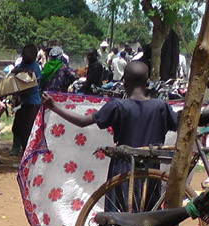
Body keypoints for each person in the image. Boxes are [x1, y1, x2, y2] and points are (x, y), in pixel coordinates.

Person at [43, 61, 178, 209]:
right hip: (150, 171)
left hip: (123, 169)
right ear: (147, 83)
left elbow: (82, 121)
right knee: (149, 211)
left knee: (118, 214)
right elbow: (179, 124)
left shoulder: (118, 106)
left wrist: (53, 106)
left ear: (124, 83)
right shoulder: (161, 107)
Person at [10, 43, 42, 155]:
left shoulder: (35, 68)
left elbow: (30, 87)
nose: (24, 58)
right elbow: (14, 72)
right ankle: (20, 150)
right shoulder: (23, 64)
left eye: (26, 56)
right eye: (23, 56)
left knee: (28, 130)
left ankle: (28, 153)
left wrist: (17, 92)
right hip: (23, 103)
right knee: (18, 127)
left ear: (34, 56)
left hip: (32, 103)